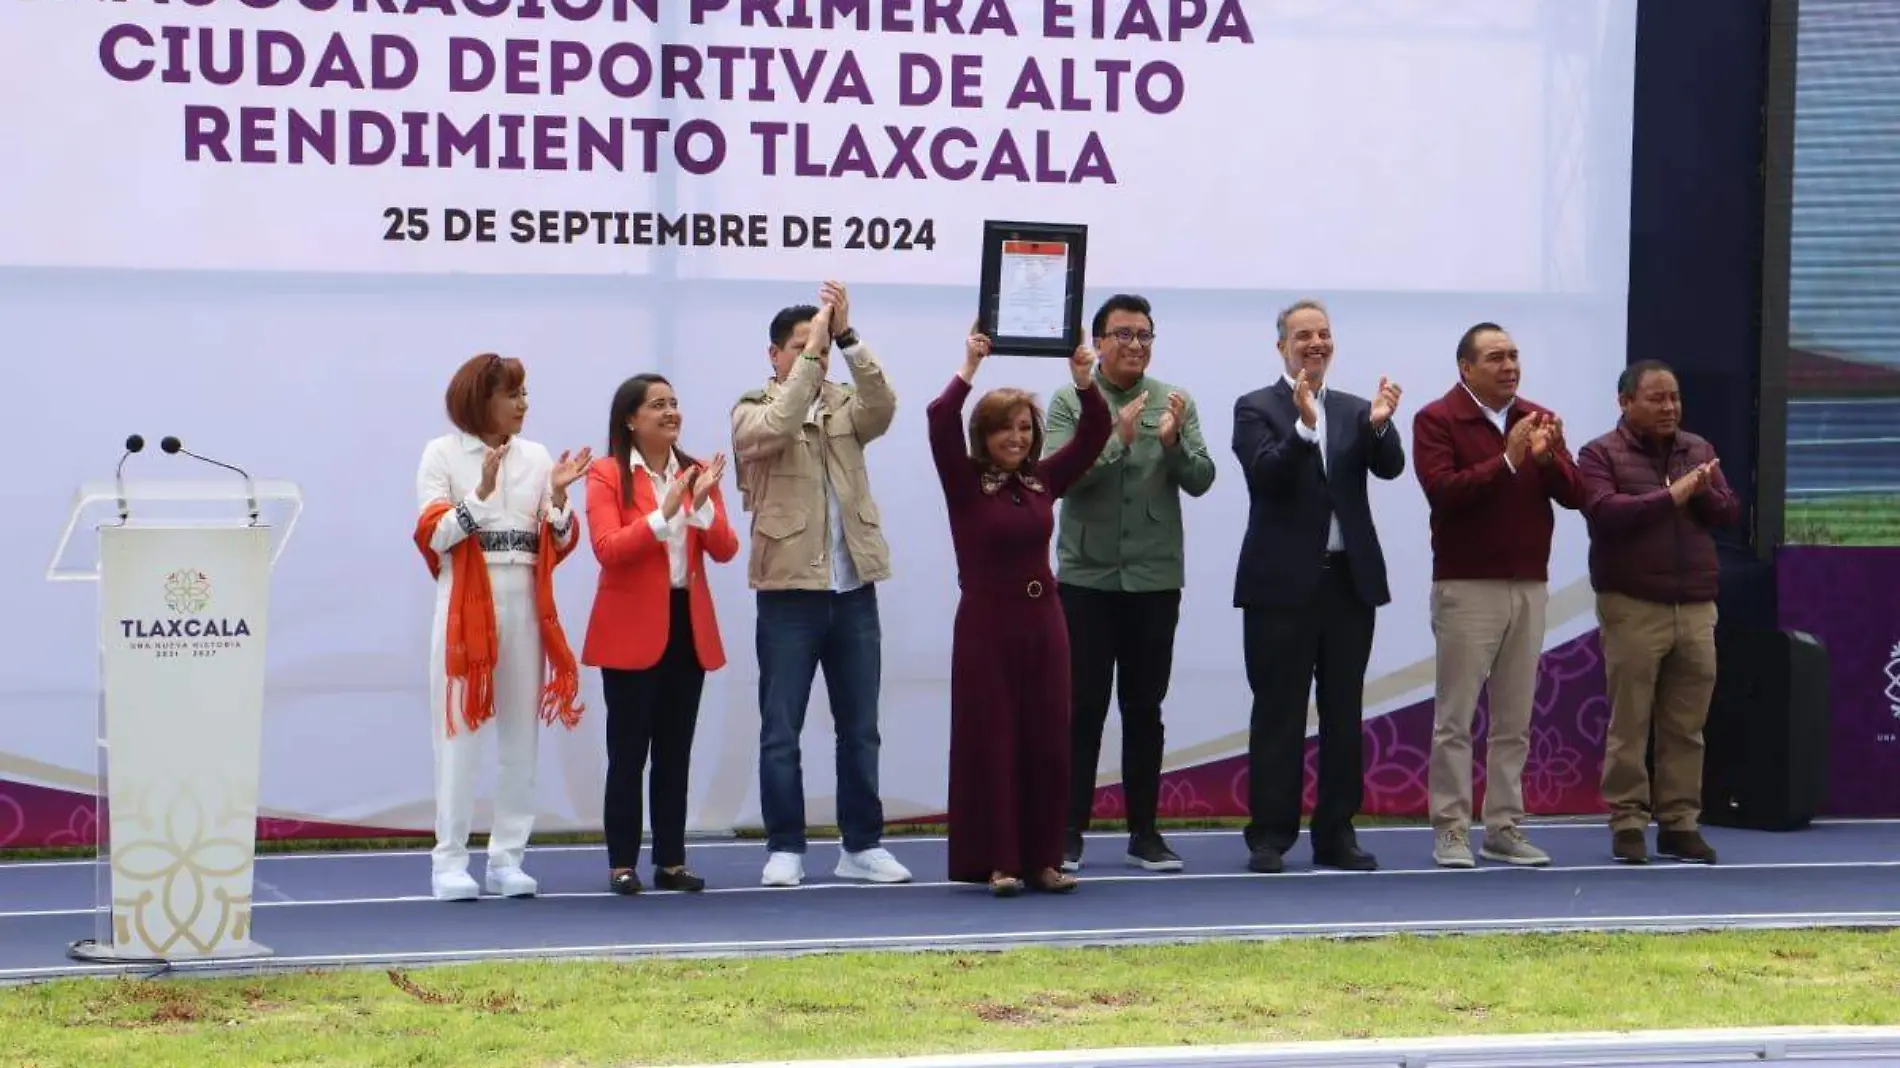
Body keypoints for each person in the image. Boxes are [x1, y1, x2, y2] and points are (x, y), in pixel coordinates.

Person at [730, 283, 912, 887]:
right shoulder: (752, 407)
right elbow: (779, 424)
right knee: (781, 727)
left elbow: (883, 407)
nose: (818, 356)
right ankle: (785, 845)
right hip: (788, 592)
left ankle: (861, 845)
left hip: (853, 587)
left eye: (823, 346)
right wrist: (814, 350)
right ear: (774, 354)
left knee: (860, 727)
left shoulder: (842, 403)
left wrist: (851, 339)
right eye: (803, 346)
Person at [929, 325, 1111, 896]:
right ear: (984, 435)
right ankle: (1000, 862)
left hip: (1044, 624)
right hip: (987, 626)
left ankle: (1044, 859)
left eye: (1025, 427)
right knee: (994, 738)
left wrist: (1084, 383)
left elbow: (1094, 434)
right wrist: (968, 368)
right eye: (1005, 428)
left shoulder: (1042, 479)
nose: (1016, 436)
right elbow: (939, 418)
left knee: (1047, 740)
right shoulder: (963, 481)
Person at [1042, 294, 1216, 873]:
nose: (1136, 345)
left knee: (1145, 708)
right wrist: (1116, 438)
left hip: (1154, 578)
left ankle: (1145, 832)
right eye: (1123, 334)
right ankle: (1067, 831)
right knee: (1082, 707)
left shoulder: (1175, 401)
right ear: (1097, 341)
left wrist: (1170, 443)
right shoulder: (1071, 400)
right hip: (1087, 578)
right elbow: (1059, 479)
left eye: (1145, 335)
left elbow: (1202, 477)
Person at [1232, 298, 1406, 874]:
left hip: (1347, 585)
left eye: (1324, 334)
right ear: (1281, 344)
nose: (1316, 343)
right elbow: (1266, 475)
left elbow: (1390, 467)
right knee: (1279, 712)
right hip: (1280, 587)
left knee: (1342, 712)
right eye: (1303, 334)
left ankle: (1336, 834)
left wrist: (1380, 425)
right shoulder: (1256, 407)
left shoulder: (1358, 409)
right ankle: (1270, 836)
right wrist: (1305, 427)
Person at [412, 352, 591, 901]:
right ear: (479, 398)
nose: (523, 404)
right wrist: (480, 497)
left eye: (524, 393)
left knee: (521, 736)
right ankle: (449, 862)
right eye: (512, 394)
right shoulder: (441, 454)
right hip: (468, 606)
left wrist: (558, 498)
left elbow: (557, 543)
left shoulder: (536, 457)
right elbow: (433, 536)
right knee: (460, 737)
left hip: (524, 601)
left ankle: (507, 858)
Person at [1411, 323, 1586, 869]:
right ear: (1466, 368)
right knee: (1455, 718)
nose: (1510, 366)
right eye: (1495, 358)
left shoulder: (1535, 417)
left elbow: (1577, 495)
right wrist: (1508, 461)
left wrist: (1551, 456)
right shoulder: (1436, 419)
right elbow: (1444, 492)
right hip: (1466, 587)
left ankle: (1504, 826)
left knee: (1514, 719)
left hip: (1529, 586)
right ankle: (1451, 829)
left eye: (1514, 356)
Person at [582, 374, 739, 895]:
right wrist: (663, 512)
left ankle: (671, 860)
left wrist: (701, 504)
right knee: (628, 753)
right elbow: (609, 549)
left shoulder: (694, 472)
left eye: (674, 403)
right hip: (631, 630)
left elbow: (725, 549)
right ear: (631, 418)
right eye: (657, 405)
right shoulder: (607, 475)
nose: (671, 412)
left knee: (675, 751)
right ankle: (621, 862)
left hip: (685, 625)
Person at [1577, 359, 1737, 865]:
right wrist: (1671, 497)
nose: (1669, 408)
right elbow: (1604, 514)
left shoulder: (1699, 450)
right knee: (1631, 722)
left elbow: (1729, 512)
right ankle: (1627, 822)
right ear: (1626, 403)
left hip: (1694, 606)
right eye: (1657, 399)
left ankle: (1679, 822)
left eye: (1675, 398)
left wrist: (1704, 491)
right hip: (1633, 605)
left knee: (1687, 724)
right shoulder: (1599, 453)